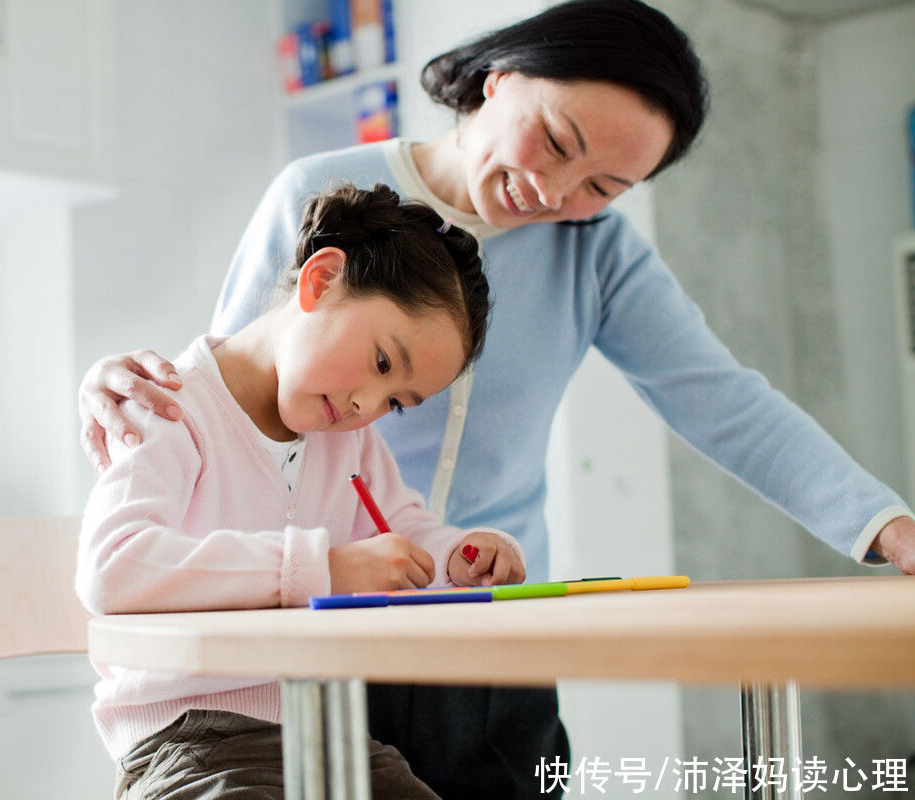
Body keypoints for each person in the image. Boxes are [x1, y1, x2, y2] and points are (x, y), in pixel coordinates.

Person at [77, 0, 915, 797]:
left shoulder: (596, 253)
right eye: (556, 141)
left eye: (604, 186)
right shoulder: (327, 189)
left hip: (494, 635)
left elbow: (725, 402)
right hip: (331, 632)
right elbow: (247, 397)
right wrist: (123, 385)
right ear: (501, 78)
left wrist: (884, 523)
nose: (557, 196)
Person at [75, 182, 525, 800]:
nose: (369, 404)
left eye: (395, 402)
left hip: (324, 727)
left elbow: (404, 531)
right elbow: (112, 569)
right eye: (383, 363)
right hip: (189, 741)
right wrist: (323, 568)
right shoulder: (170, 408)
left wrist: (461, 556)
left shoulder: (352, 442)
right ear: (322, 280)